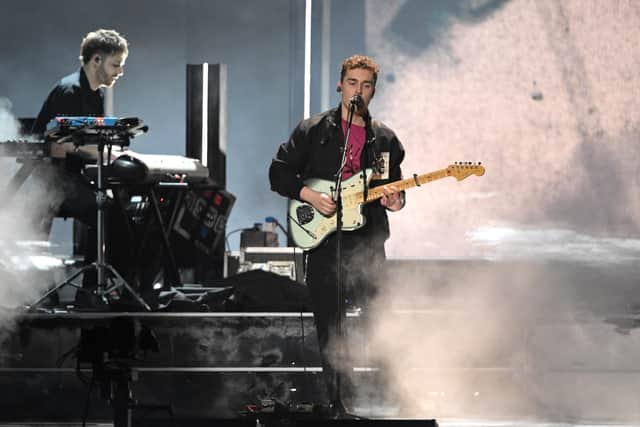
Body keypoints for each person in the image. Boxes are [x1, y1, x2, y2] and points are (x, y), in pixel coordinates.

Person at [269, 54, 405, 414]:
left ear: (374, 90)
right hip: (326, 242)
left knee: (380, 315)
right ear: (340, 85)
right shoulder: (313, 131)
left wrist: (396, 200)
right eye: (352, 83)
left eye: (366, 85)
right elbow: (279, 174)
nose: (358, 91)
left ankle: (385, 394)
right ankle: (336, 402)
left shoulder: (386, 139)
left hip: (369, 243)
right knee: (330, 324)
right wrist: (311, 195)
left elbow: (392, 186)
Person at [31, 29, 133, 307]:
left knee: (118, 214)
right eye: (116, 64)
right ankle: (89, 292)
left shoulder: (94, 96)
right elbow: (57, 146)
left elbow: (91, 143)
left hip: (72, 178)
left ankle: (99, 291)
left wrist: (110, 152)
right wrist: (105, 153)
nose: (120, 72)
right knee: (106, 212)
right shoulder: (69, 91)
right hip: (51, 182)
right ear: (96, 60)